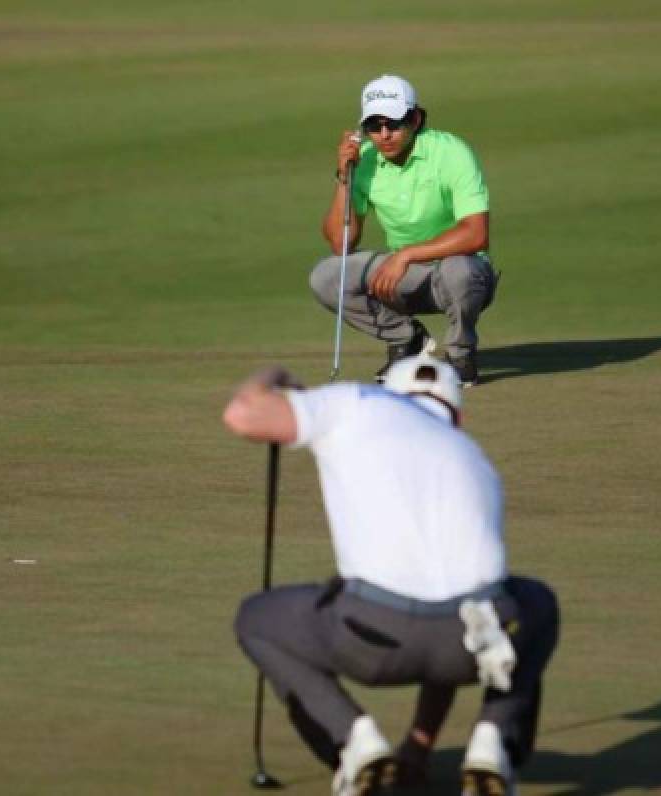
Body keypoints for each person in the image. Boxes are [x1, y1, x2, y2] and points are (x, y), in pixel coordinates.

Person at [223, 346, 559, 795]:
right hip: (473, 643)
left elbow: (243, 415)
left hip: (371, 639)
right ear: (457, 416)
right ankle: (492, 743)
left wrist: (273, 373)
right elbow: (457, 601)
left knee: (258, 619)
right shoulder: (473, 456)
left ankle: (356, 748)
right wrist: (418, 748)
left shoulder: (355, 401)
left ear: (391, 391)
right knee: (535, 603)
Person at [310, 74, 499, 387]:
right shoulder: (365, 161)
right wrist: (345, 177)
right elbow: (340, 243)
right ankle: (406, 339)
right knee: (327, 275)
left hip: (461, 274)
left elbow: (476, 234)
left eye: (394, 124)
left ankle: (461, 354)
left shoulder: (451, 153)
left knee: (459, 269)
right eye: (374, 126)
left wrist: (406, 256)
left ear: (416, 118)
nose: (384, 135)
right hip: (405, 278)